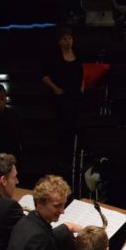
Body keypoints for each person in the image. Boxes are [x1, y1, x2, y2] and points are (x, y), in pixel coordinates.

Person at [6, 174, 79, 250]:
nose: (62, 211)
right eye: (57, 206)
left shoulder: (26, 221)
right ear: (40, 203)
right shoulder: (39, 238)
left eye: (63, 204)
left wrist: (66, 227)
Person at [41, 27, 84, 174]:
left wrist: (83, 85)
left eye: (70, 38)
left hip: (76, 94)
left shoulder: (78, 53)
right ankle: (62, 156)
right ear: (59, 41)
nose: (68, 41)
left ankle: (74, 153)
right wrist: (55, 88)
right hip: (61, 94)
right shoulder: (54, 56)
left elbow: (83, 70)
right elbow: (44, 74)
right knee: (63, 124)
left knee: (75, 122)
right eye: (65, 39)